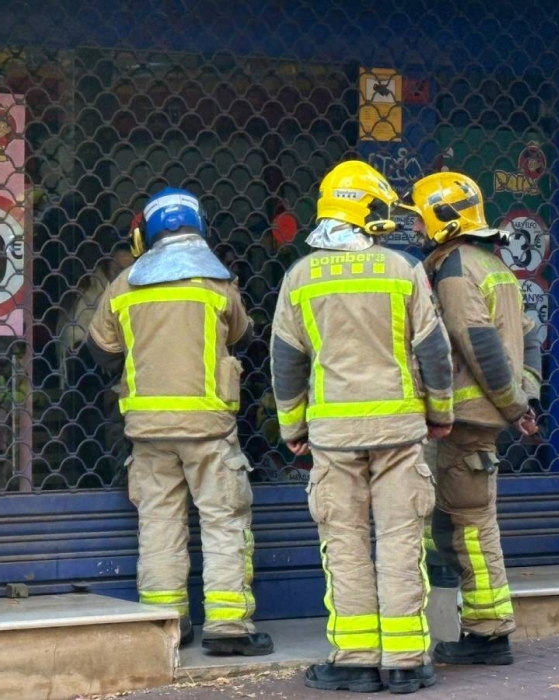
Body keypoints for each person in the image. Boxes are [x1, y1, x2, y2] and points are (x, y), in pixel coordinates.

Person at [271, 161, 454, 693]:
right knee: (401, 543)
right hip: (398, 433)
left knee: (345, 544)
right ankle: (404, 662)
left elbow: (286, 362)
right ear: (368, 212)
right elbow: (434, 353)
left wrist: (292, 428)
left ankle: (353, 662)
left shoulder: (300, 277)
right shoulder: (403, 270)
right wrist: (439, 414)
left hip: (333, 437)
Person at [86, 188, 273, 656]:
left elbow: (100, 352)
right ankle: (229, 626)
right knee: (223, 519)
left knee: (158, 522)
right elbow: (245, 335)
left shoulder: (123, 284)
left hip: (148, 428)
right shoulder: (217, 283)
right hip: (208, 427)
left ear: (144, 234)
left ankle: (166, 625)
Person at [401, 171, 542, 666]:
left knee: (469, 527)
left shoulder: (455, 268)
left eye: (421, 217)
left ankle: (487, 633)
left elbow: (475, 343)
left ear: (442, 219)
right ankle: (481, 625)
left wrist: (514, 405)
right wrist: (526, 397)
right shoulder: (491, 264)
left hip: (464, 419)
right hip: (484, 416)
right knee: (464, 523)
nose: (416, 228)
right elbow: (530, 333)